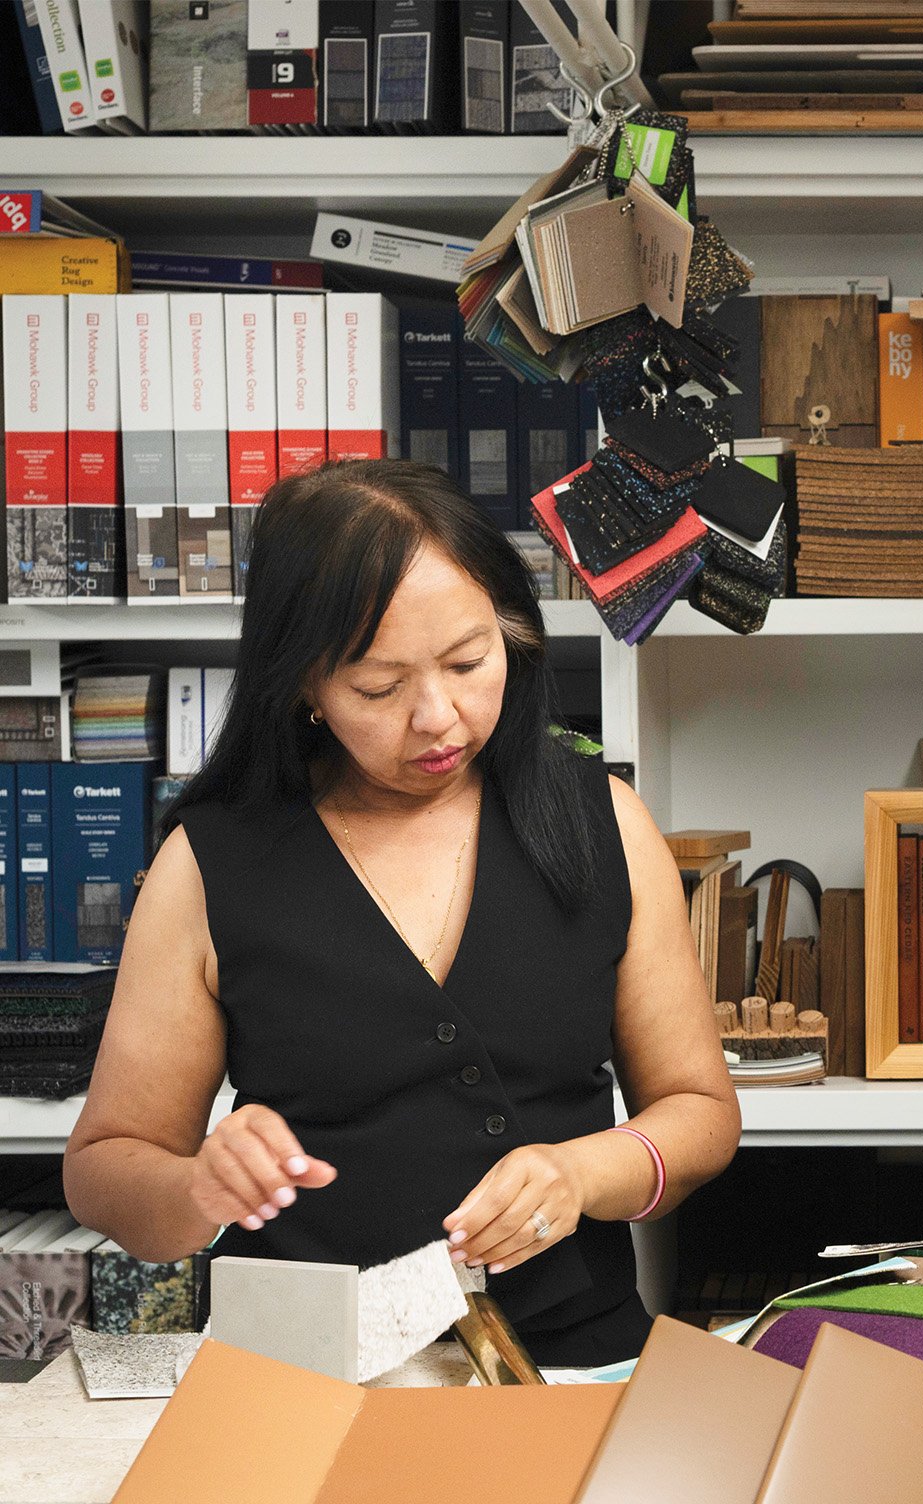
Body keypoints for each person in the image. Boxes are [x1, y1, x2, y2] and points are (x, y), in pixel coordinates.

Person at [64, 461, 739, 1365]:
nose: (439, 717)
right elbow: (105, 1169)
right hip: (307, 1374)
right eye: (378, 689)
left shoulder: (603, 822)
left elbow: (700, 1112)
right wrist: (200, 1188)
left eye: (469, 662)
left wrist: (582, 1173)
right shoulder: (211, 863)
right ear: (302, 684)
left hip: (569, 1360)